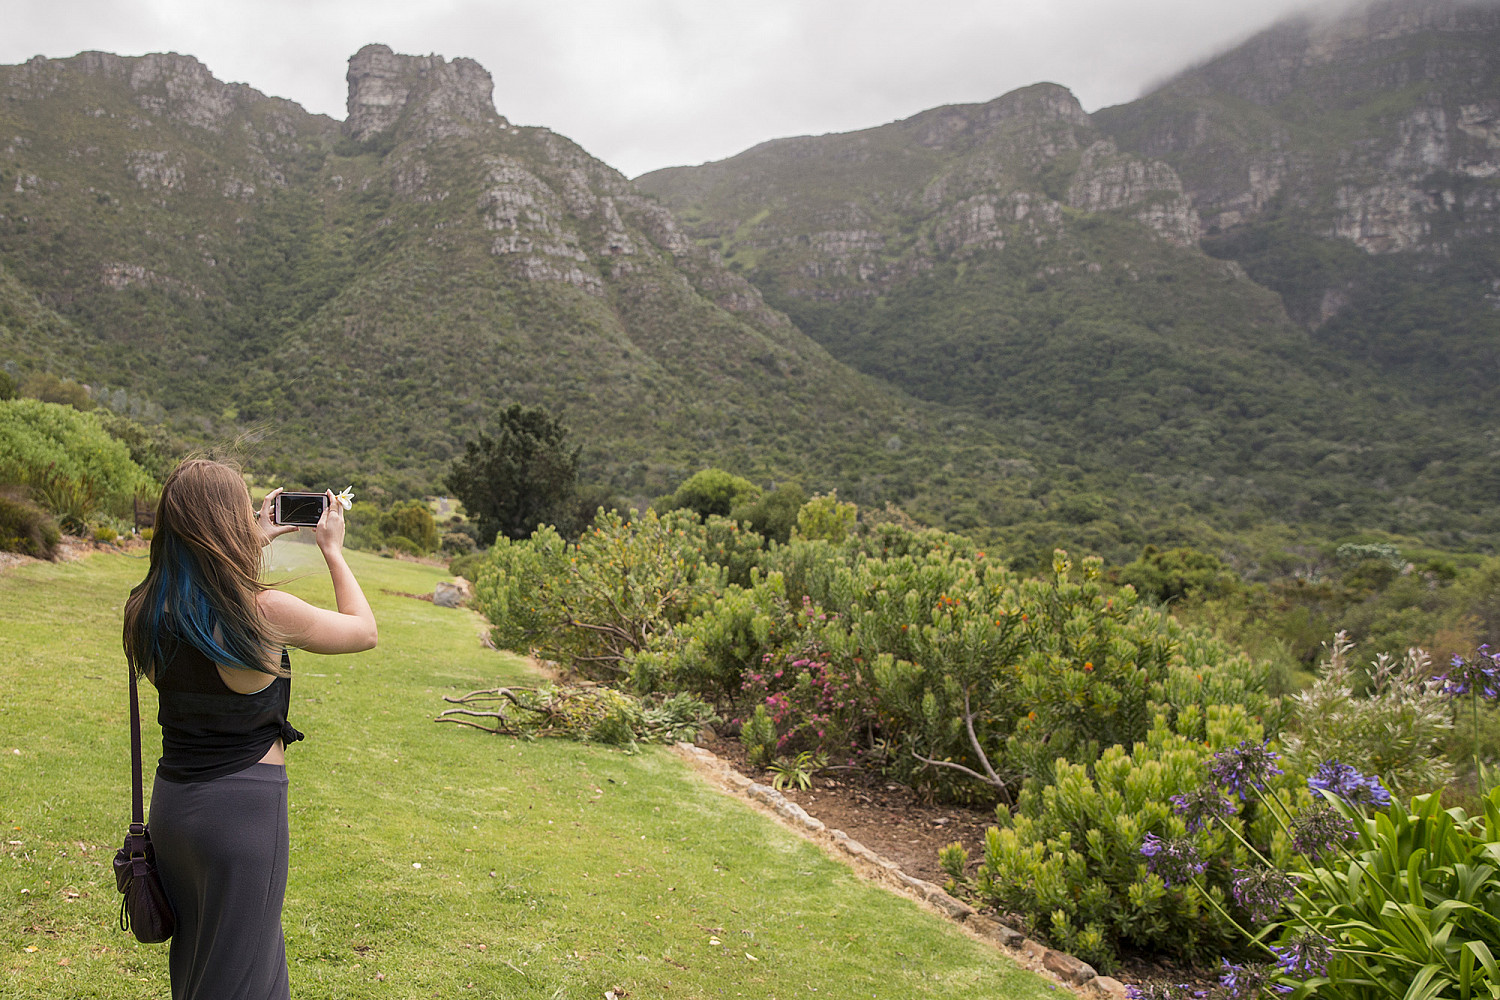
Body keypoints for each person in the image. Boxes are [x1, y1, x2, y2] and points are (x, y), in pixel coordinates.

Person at [122, 459, 377, 1000]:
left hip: (172, 809)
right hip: (241, 814)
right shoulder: (264, 611)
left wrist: (252, 539)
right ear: (227, 524)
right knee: (245, 976)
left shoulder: (147, 607)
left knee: (198, 966)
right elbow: (362, 631)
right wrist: (332, 549)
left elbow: (206, 596)